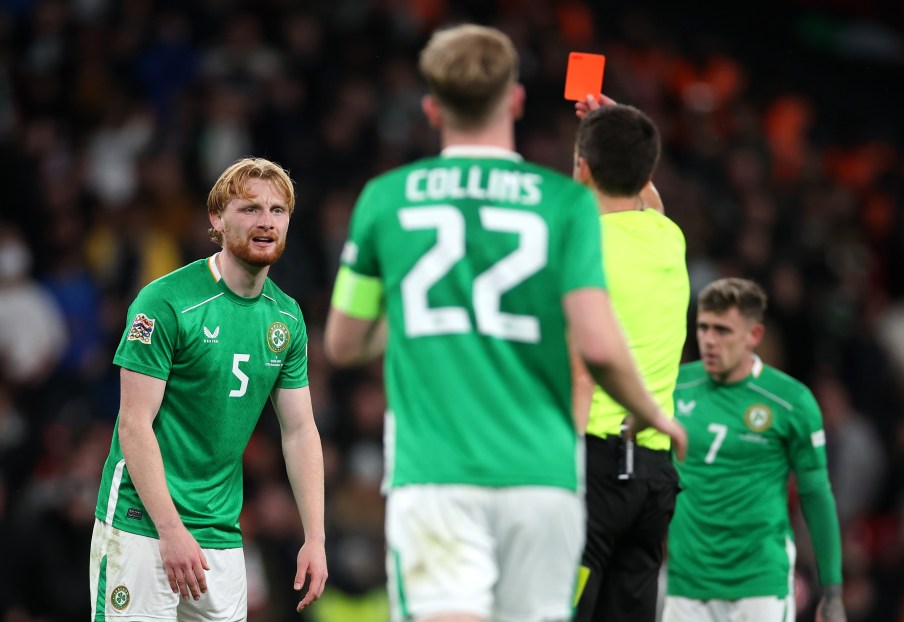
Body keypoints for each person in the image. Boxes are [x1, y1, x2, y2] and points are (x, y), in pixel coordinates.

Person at [323, 24, 686, 622]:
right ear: (515, 101)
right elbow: (642, 210)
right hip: (566, 471)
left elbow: (343, 341)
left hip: (452, 459)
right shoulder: (578, 213)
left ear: (431, 108)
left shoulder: (386, 198)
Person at [90, 157, 328, 621]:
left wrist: (315, 538)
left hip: (220, 532)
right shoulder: (165, 302)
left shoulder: (286, 317)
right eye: (250, 209)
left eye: (278, 211)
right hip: (142, 525)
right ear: (216, 219)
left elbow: (300, 430)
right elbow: (134, 423)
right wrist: (170, 529)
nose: (266, 222)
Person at [568, 101, 689, 622]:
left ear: (583, 169)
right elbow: (649, 198)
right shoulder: (668, 238)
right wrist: (620, 122)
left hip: (593, 469)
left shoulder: (580, 247)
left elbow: (580, 370)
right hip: (653, 480)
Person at [663, 277, 845, 622]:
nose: (709, 341)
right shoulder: (675, 387)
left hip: (759, 584)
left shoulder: (791, 401)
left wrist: (832, 590)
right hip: (687, 583)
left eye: (723, 330)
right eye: (703, 328)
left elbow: (817, 495)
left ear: (754, 336)